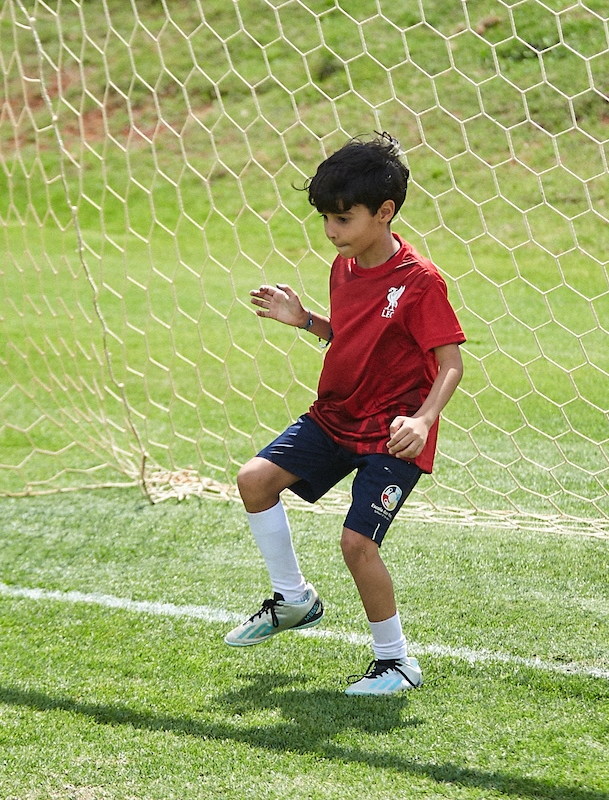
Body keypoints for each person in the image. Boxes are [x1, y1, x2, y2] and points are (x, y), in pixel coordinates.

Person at [224, 132, 466, 696]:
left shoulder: (419, 281)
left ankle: (397, 664)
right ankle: (294, 600)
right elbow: (352, 338)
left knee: (357, 543)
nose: (332, 232)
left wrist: (424, 420)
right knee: (254, 480)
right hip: (337, 414)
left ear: (385, 213)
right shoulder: (346, 266)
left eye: (343, 219)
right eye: (326, 220)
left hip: (393, 432)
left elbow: (450, 362)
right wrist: (304, 319)